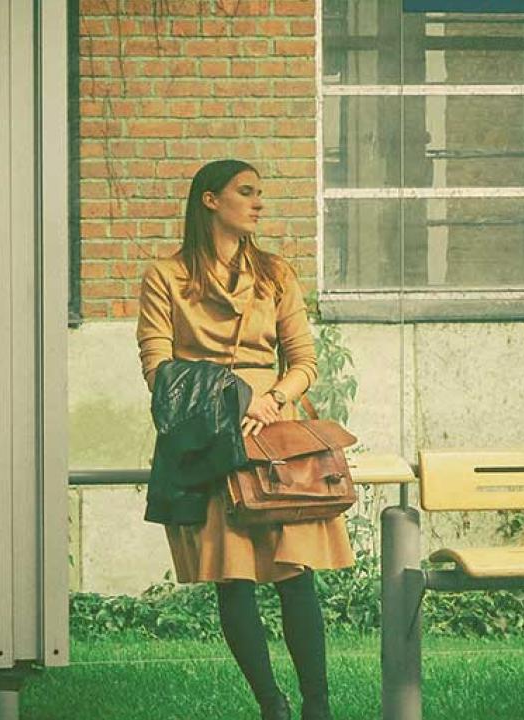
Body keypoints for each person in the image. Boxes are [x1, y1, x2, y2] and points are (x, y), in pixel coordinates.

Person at [136, 159, 352, 720]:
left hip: (274, 437)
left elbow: (304, 360)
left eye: (260, 194)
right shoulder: (166, 275)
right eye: (246, 193)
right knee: (233, 578)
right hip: (209, 435)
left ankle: (318, 708)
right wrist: (235, 397)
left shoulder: (276, 273)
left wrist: (276, 397)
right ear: (210, 200)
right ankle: (271, 706)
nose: (258, 204)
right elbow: (158, 369)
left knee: (294, 574)